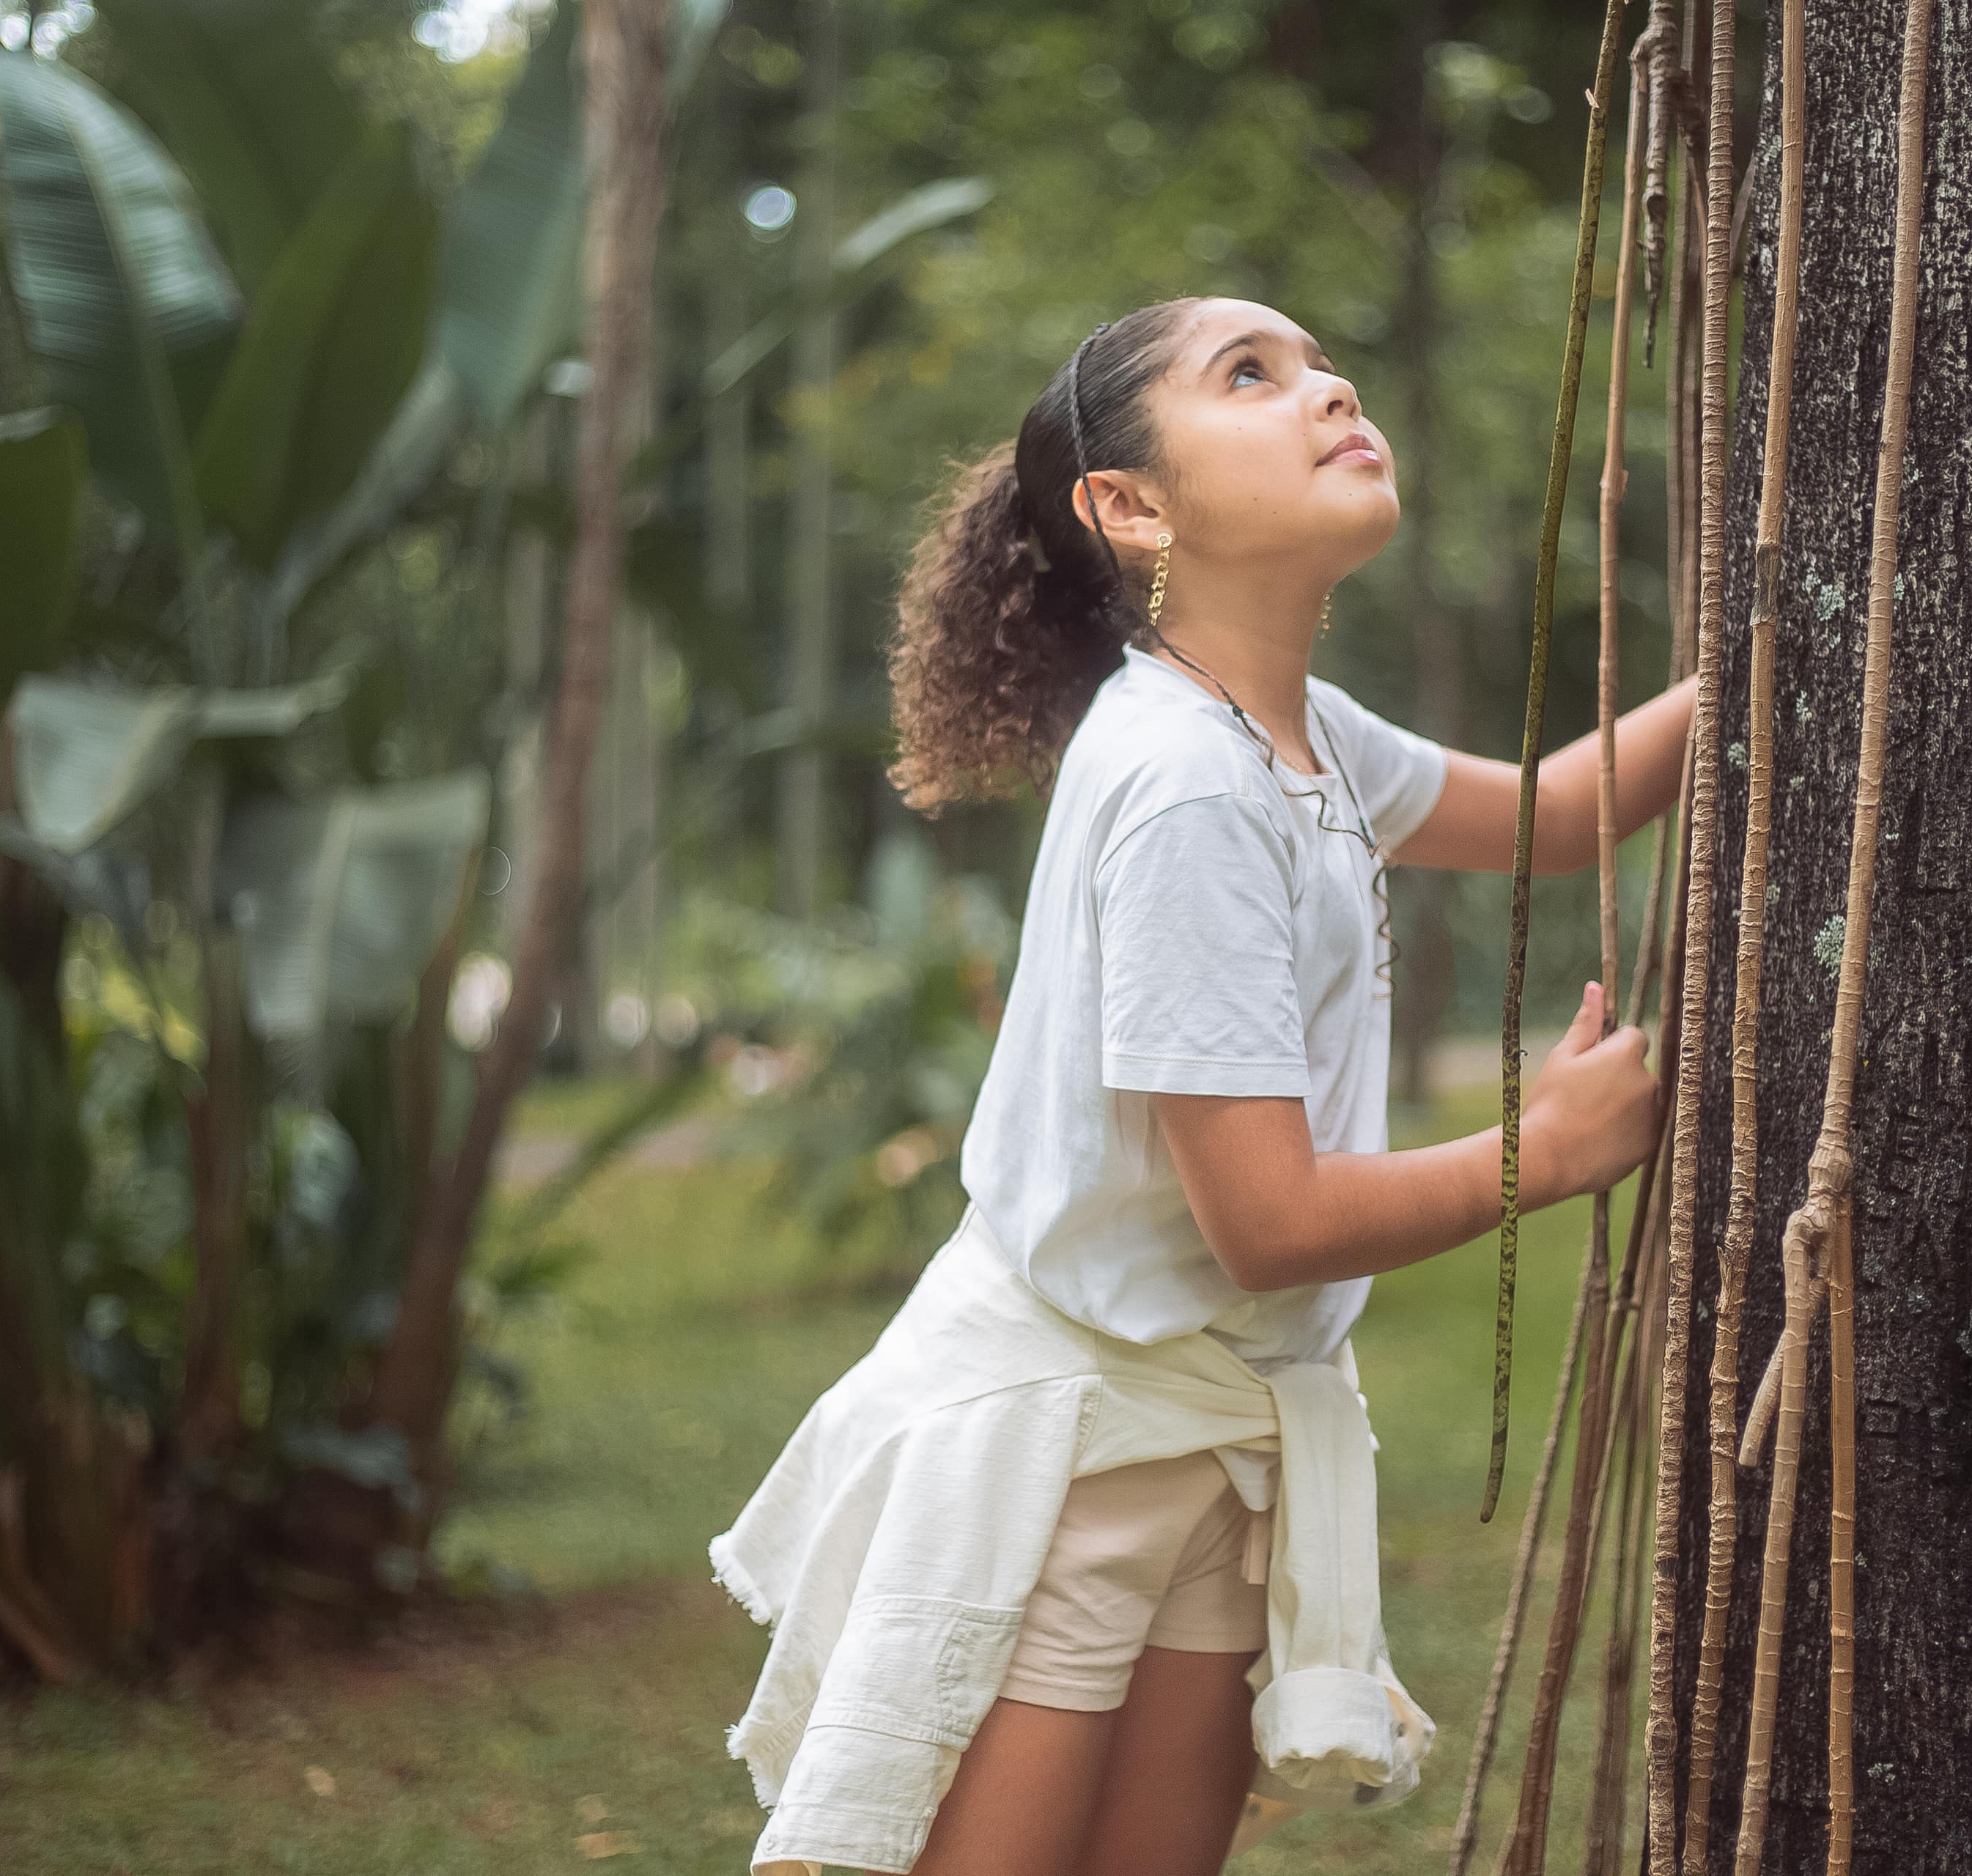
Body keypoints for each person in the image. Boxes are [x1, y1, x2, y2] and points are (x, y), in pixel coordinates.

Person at [711, 295, 1697, 1876]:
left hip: (1214, 1437)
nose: (1327, 386)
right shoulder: (1181, 777)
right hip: (1071, 1452)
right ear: (1132, 503)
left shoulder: (1294, 736)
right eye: (1252, 372)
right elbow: (1269, 1214)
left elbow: (1562, 814)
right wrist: (1543, 1150)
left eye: (1318, 362)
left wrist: (1779, 659)